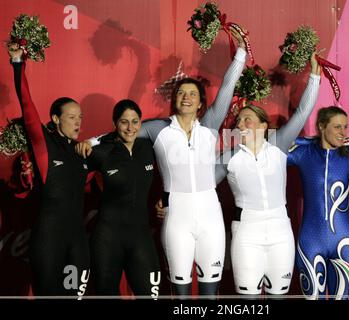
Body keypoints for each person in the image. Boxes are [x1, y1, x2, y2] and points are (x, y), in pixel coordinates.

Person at [77, 27, 247, 296]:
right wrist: (92, 142)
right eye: (181, 93)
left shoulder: (211, 125)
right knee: (178, 294)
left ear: (201, 103)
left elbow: (227, 87)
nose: (187, 97)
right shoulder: (158, 129)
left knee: (209, 294)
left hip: (210, 217)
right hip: (176, 216)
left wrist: (240, 54)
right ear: (174, 99)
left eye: (192, 94)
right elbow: (123, 129)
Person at [213, 53, 321, 296]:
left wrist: (314, 75)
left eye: (247, 120)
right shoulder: (228, 158)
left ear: (263, 126)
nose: (241, 125)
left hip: (281, 232)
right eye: (239, 121)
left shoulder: (278, 145)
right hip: (246, 234)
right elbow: (202, 189)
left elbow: (303, 112)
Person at [8, 46, 90, 297]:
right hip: (48, 241)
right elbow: (27, 105)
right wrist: (18, 62)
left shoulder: (82, 150)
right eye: (71, 117)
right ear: (55, 119)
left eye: (80, 117)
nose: (78, 122)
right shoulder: (44, 145)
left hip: (77, 241)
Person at [85, 99, 161, 297]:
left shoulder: (150, 148)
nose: (130, 128)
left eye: (135, 121)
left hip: (141, 238)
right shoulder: (101, 152)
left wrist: (165, 200)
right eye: (124, 122)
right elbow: (66, 178)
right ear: (115, 123)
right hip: (108, 239)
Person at [287, 106, 349, 300]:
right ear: (321, 127)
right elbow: (273, 148)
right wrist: (308, 140)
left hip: (343, 241)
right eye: (337, 127)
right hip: (310, 240)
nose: (343, 133)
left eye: (345, 127)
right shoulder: (304, 154)